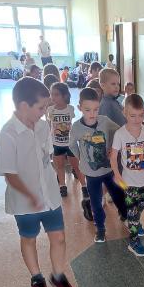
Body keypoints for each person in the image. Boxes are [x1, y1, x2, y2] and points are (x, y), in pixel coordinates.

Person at [0, 77, 76, 287]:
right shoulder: (8, 135)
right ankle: (37, 278)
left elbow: (46, 157)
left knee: (59, 237)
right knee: (29, 238)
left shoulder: (42, 126)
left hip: (49, 195)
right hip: (25, 203)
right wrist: (30, 195)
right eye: (41, 107)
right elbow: (9, 174)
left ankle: (58, 275)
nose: (44, 111)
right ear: (24, 106)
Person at [69, 87, 127, 243]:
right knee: (95, 202)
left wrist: (113, 149)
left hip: (108, 169)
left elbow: (119, 132)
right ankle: (100, 229)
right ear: (80, 108)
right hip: (91, 174)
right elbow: (72, 145)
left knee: (118, 193)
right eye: (87, 110)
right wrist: (81, 157)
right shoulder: (76, 127)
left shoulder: (105, 121)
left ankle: (124, 215)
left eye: (96, 109)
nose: (92, 113)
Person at [110, 94, 144, 257]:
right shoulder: (120, 134)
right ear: (124, 113)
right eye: (132, 116)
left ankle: (134, 221)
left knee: (142, 205)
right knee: (132, 210)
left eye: (140, 115)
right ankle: (134, 241)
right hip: (128, 182)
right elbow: (113, 157)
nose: (137, 120)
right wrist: (117, 175)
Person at [46, 82, 91, 213]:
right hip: (57, 143)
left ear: (64, 95)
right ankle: (62, 185)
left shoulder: (70, 109)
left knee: (76, 166)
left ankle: (84, 186)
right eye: (51, 94)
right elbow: (49, 125)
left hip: (70, 143)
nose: (53, 97)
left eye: (56, 94)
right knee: (59, 166)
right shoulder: (50, 110)